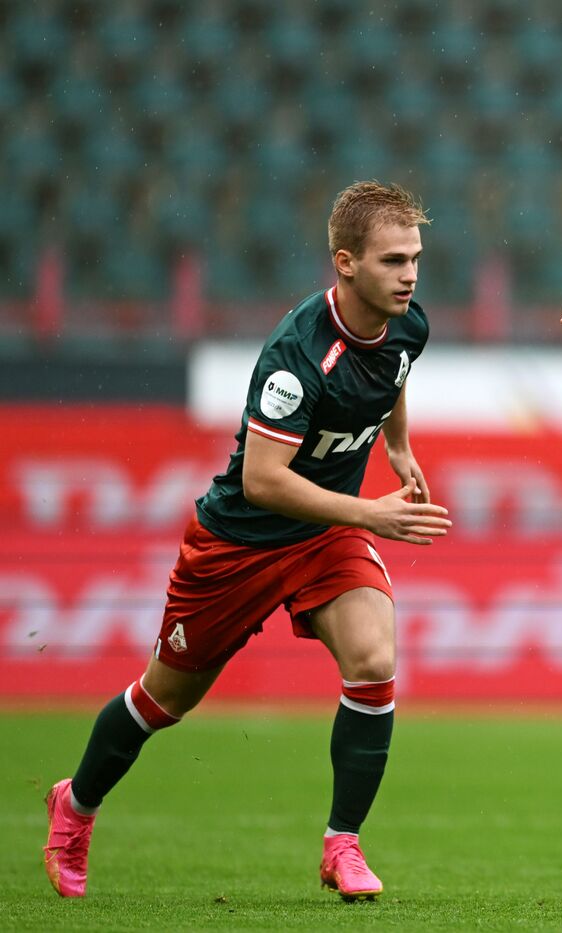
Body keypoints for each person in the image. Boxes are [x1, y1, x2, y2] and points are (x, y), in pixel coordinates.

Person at [42, 181, 452, 901]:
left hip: (323, 535)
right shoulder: (298, 355)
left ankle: (342, 844)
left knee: (374, 656)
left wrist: (401, 447)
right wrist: (368, 513)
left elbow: (394, 374)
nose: (410, 274)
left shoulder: (408, 323)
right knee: (163, 701)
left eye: (415, 257)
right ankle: (75, 805)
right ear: (346, 262)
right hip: (239, 543)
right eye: (393, 261)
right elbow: (264, 480)